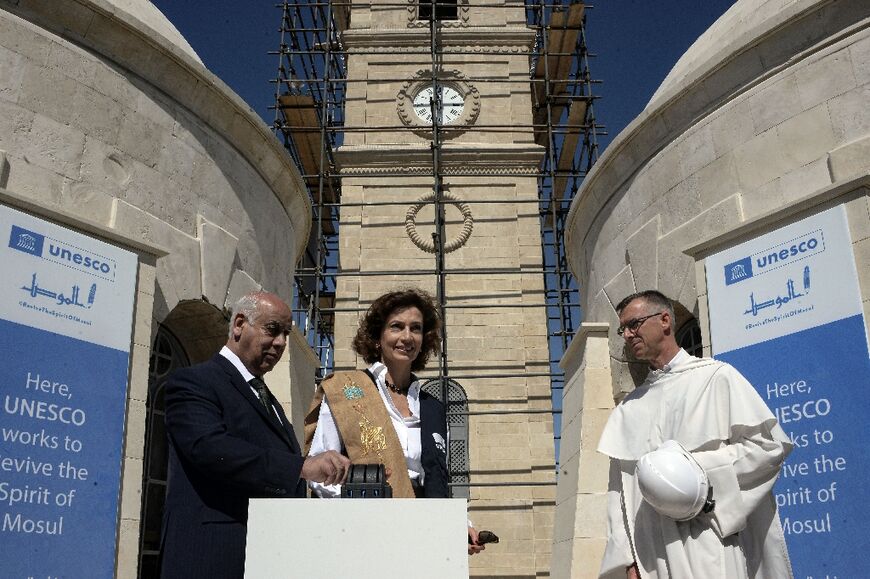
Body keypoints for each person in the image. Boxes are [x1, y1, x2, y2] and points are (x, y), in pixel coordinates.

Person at [598, 290, 793, 579]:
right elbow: (620, 493)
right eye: (622, 329)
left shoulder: (715, 377)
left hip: (708, 538)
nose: (626, 335)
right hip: (652, 552)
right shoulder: (628, 409)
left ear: (665, 320)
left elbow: (767, 448)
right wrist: (627, 560)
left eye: (633, 324)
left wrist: (695, 476)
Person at [161, 291, 351, 579]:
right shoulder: (195, 382)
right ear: (239, 324)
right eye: (272, 330)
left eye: (286, 334)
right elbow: (210, 449)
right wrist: (300, 467)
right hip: (212, 555)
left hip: (265, 556)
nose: (281, 343)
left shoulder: (268, 399)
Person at [304, 288, 485, 555]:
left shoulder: (432, 407)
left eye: (416, 328)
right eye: (396, 327)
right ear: (378, 337)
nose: (407, 337)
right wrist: (361, 510)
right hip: (359, 532)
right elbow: (320, 472)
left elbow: (435, 478)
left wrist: (459, 525)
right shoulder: (348, 390)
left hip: (422, 535)